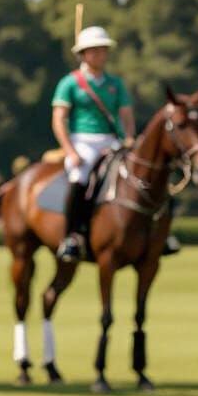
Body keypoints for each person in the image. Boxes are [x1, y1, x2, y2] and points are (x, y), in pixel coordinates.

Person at [51, 25, 138, 263]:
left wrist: (129, 137)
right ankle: (70, 236)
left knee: (143, 175)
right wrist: (70, 150)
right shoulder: (69, 83)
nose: (100, 54)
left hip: (113, 140)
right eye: (95, 50)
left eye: (103, 50)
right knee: (80, 175)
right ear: (84, 54)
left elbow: (127, 116)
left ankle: (156, 234)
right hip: (82, 140)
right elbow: (59, 120)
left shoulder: (115, 83)